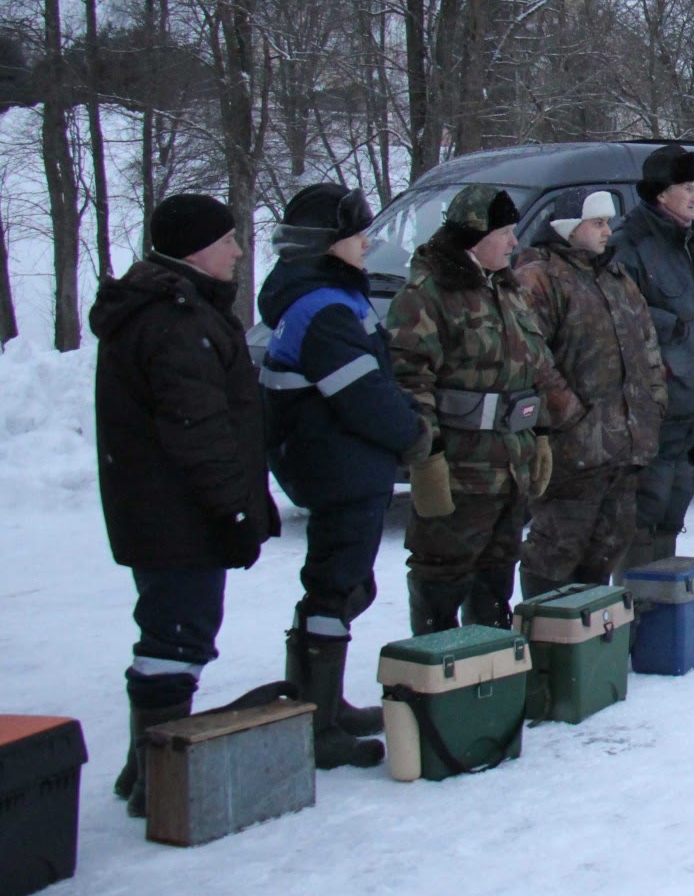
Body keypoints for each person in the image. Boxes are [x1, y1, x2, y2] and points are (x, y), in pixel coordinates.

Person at [93, 193, 281, 817]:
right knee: (175, 638)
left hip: (163, 509)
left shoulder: (179, 309)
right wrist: (231, 513)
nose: (236, 250)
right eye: (227, 240)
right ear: (196, 248)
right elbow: (197, 431)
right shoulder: (175, 320)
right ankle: (156, 779)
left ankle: (143, 765)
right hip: (174, 513)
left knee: (173, 632)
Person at [258, 183, 425, 771]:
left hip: (335, 461)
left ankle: (321, 706)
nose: (367, 244)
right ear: (330, 245)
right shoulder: (326, 309)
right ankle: (317, 718)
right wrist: (412, 434)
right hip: (339, 464)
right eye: (358, 236)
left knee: (338, 583)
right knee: (337, 586)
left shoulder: (321, 297)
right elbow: (362, 394)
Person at [387, 184, 556, 634]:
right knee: (442, 573)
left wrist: (539, 434)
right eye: (505, 231)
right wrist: (429, 458)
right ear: (474, 236)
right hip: (460, 467)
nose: (514, 242)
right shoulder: (427, 295)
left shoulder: (508, 288)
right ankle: (435, 671)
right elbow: (410, 380)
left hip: (510, 466)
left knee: (497, 576)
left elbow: (531, 369)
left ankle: (489, 675)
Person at [513, 190, 669, 598]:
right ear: (569, 229)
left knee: (609, 543)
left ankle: (588, 634)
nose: (607, 230)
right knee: (557, 544)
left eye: (608, 222)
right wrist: (568, 414)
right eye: (597, 222)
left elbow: (647, 344)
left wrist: (653, 404)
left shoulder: (614, 276)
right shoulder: (539, 278)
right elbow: (532, 356)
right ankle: (547, 630)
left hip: (624, 443)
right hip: (573, 448)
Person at [608, 143, 694, 565]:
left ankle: (663, 600)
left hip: (692, 399)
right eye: (688, 188)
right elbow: (621, 314)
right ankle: (638, 602)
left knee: (673, 505)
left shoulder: (689, 242)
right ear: (661, 193)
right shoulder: (631, 243)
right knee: (646, 507)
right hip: (655, 401)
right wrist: (671, 326)